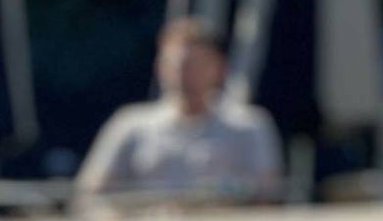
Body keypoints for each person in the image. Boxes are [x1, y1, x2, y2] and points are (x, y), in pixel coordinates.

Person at [76, 17, 285, 201]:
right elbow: (91, 195)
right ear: (159, 67)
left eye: (196, 65)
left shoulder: (249, 125)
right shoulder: (129, 125)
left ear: (219, 68)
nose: (185, 74)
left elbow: (266, 197)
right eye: (177, 65)